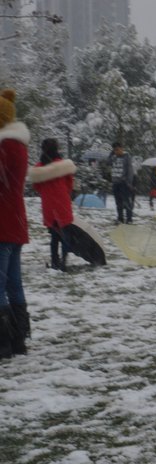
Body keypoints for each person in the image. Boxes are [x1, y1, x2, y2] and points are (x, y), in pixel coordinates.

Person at [0, 89, 31, 358]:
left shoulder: (3, 148)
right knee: (14, 284)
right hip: (16, 223)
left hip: (2, 224)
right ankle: (19, 338)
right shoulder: (19, 145)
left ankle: (3, 343)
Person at [29, 138, 76, 271]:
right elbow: (69, 184)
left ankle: (55, 262)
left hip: (49, 205)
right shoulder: (63, 165)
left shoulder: (39, 168)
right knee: (65, 233)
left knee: (54, 235)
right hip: (62, 203)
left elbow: (36, 186)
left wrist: (47, 192)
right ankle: (64, 261)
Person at [109, 142, 134, 224]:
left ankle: (129, 219)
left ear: (122, 148)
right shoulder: (113, 157)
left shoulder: (127, 157)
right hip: (115, 182)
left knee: (126, 202)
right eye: (114, 150)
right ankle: (120, 218)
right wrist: (111, 154)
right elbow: (108, 162)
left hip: (124, 183)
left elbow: (130, 170)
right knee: (118, 202)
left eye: (117, 149)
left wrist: (129, 182)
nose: (116, 151)